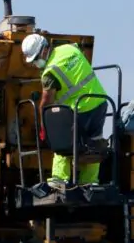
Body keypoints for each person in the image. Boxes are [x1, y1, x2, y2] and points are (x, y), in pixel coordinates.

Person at [20, 31, 110, 189]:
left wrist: (44, 126)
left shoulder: (49, 73)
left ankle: (59, 179)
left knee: (60, 138)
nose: (36, 64)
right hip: (100, 102)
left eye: (35, 60)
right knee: (93, 144)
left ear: (44, 50)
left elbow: (46, 102)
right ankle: (90, 182)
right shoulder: (70, 48)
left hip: (80, 109)